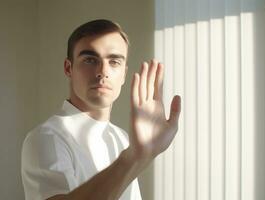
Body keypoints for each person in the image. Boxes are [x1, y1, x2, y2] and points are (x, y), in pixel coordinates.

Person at [21, 19, 181, 200]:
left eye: (114, 62)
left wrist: (142, 153)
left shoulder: (122, 138)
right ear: (68, 68)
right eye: (90, 59)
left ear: (124, 74)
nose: (102, 71)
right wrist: (133, 157)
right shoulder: (47, 137)